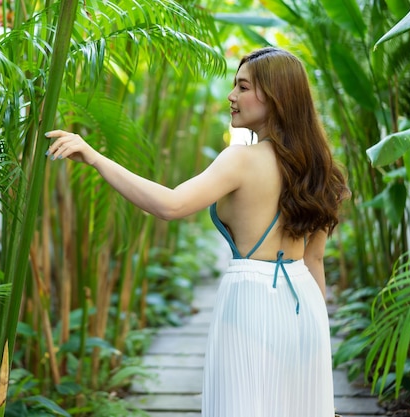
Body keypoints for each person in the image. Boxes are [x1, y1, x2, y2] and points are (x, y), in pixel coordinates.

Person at [45, 46, 350, 417]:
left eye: (242, 87)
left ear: (276, 97)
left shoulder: (240, 159)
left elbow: (170, 205)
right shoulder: (322, 169)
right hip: (305, 307)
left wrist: (95, 157)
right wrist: (319, 336)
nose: (231, 97)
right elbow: (314, 258)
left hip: (250, 303)